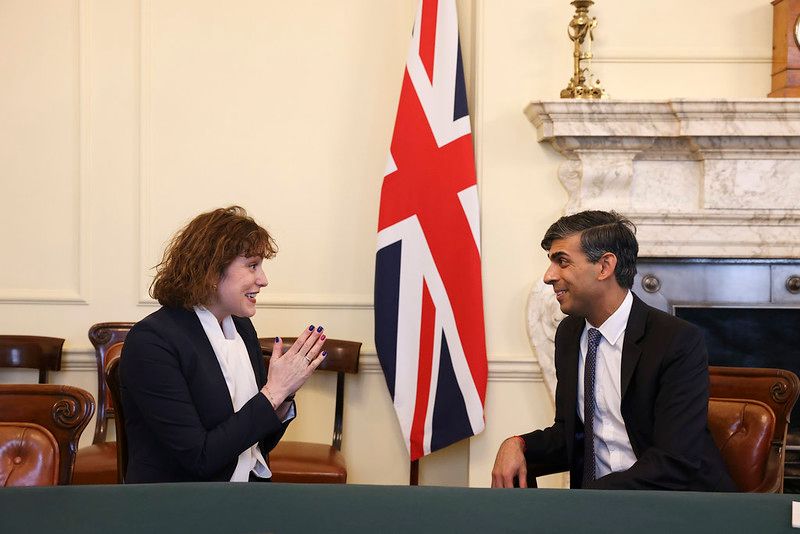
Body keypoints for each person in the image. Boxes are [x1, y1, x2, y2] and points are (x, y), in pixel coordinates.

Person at [491, 210, 736, 491]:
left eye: (562, 262)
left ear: (605, 266)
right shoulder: (570, 334)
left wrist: (588, 501)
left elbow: (675, 460)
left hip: (675, 506)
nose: (548, 276)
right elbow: (570, 436)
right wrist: (517, 444)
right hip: (599, 509)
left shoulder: (676, 340)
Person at [120, 206, 327, 483]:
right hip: (178, 508)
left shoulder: (241, 327)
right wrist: (273, 393)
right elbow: (199, 458)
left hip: (243, 497)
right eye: (252, 265)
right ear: (211, 270)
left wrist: (285, 393)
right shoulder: (152, 342)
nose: (263, 280)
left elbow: (256, 446)